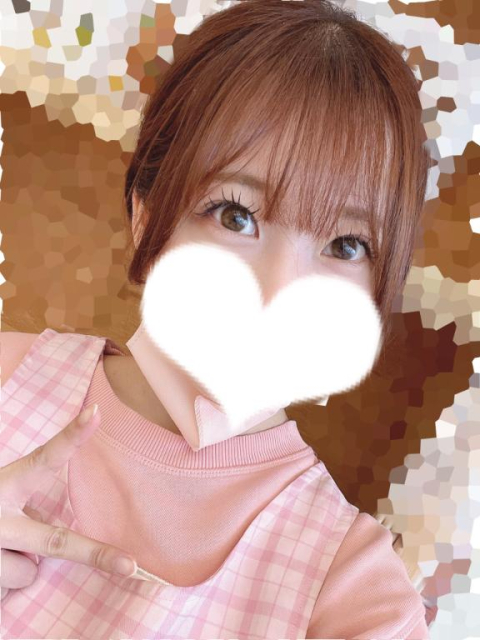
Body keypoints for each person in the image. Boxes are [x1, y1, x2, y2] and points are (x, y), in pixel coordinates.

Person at [0, 0, 432, 637]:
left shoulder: (355, 593)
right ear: (147, 214)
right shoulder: (7, 374)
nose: (278, 292)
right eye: (236, 215)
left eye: (346, 246)